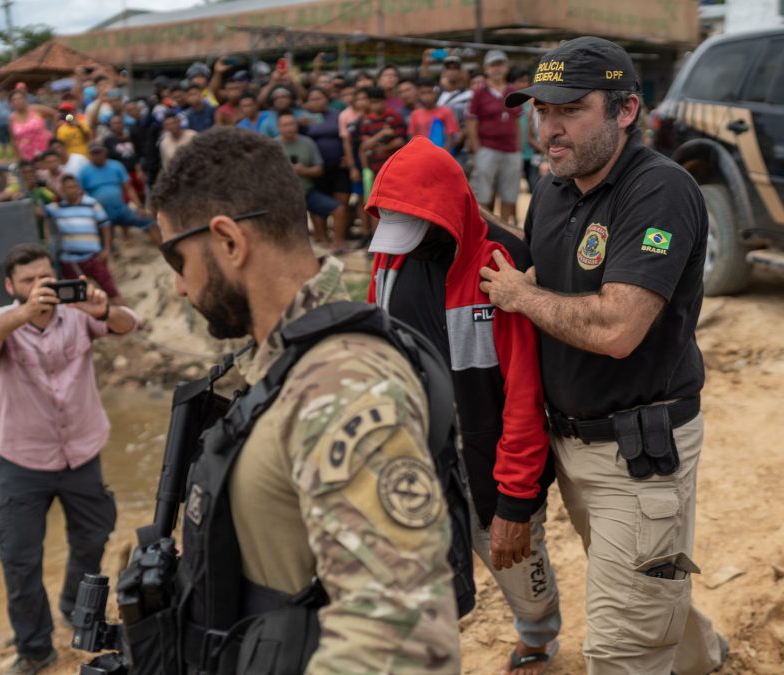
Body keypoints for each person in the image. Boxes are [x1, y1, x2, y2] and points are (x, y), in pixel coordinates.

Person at [146, 126, 459, 672]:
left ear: (229, 242)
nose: (179, 285)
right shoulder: (285, 363)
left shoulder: (340, 383)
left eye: (178, 261)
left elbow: (400, 639)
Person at [478, 37, 726, 674]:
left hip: (638, 457)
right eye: (541, 111)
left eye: (571, 110)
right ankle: (703, 659)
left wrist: (521, 296)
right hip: (572, 444)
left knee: (622, 646)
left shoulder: (659, 191)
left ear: (626, 110)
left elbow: (618, 327)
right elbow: (545, 274)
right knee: (644, 587)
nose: (549, 129)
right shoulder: (554, 186)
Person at [367, 137, 561, 675]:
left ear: (446, 214)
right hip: (416, 458)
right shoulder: (389, 259)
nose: (404, 247)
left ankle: (539, 637)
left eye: (415, 230)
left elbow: (525, 395)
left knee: (519, 567)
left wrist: (515, 502)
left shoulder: (502, 265)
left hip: (486, 462)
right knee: (423, 586)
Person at [0, 243, 138, 674]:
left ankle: (75, 611)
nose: (41, 285)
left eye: (45, 276)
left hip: (82, 453)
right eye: (29, 280)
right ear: (11, 286)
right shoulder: (1, 322)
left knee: (92, 539)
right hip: (23, 462)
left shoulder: (77, 313)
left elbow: (128, 324)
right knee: (18, 557)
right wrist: (24, 314)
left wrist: (102, 309)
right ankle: (35, 646)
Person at [44, 175, 123, 304]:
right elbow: (36, 210)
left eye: (74, 186)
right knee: (78, 299)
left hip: (94, 257)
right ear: (62, 190)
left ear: (79, 188)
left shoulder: (91, 203)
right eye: (68, 188)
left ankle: (128, 316)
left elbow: (105, 225)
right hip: (70, 261)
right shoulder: (55, 208)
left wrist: (106, 249)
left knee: (112, 291)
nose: (72, 190)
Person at [466, 50, 522, 225]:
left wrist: (518, 147)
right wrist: (477, 149)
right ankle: (483, 229)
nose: (497, 68)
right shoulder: (479, 92)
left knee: (509, 193)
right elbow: (471, 122)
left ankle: (505, 229)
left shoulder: (512, 91)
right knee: (482, 193)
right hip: (487, 148)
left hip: (511, 149)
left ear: (506, 67)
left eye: (500, 64)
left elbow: (517, 121)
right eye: (493, 65)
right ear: (486, 69)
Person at [277, 111, 346, 248]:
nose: (289, 128)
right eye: (285, 125)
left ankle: (338, 245)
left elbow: (319, 169)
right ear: (278, 127)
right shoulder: (272, 145)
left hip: (307, 192)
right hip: (283, 197)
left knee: (339, 209)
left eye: (292, 124)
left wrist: (303, 171)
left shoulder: (307, 142)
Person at [79, 141, 160, 245]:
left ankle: (163, 248)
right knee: (102, 239)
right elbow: (80, 193)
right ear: (90, 155)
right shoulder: (84, 171)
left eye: (99, 152)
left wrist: (139, 206)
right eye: (94, 153)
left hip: (121, 210)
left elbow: (128, 188)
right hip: (100, 214)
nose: (97, 155)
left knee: (148, 221)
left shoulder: (116, 166)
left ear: (105, 152)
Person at [301, 87, 351, 251]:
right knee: (319, 207)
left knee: (341, 203)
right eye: (312, 99)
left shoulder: (338, 116)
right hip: (317, 169)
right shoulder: (304, 120)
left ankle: (339, 240)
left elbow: (346, 138)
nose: (316, 102)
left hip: (338, 168)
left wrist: (347, 156)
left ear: (326, 99)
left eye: (319, 98)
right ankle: (323, 239)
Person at [104, 113, 146, 206]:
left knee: (141, 195)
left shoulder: (131, 137)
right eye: (114, 123)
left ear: (123, 124)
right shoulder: (108, 141)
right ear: (111, 125)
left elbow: (137, 155)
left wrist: (139, 170)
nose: (117, 125)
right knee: (126, 200)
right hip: (120, 175)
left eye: (119, 122)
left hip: (133, 172)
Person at [408, 77, 459, 151]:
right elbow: (412, 138)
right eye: (423, 93)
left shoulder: (446, 111)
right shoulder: (415, 114)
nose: (426, 96)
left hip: (442, 153)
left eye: (429, 92)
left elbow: (450, 137)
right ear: (418, 95)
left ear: (435, 93)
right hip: (421, 153)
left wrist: (442, 154)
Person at [9, 90, 56, 162]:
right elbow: (13, 140)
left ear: (25, 99)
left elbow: (55, 114)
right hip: (27, 155)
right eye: (14, 100)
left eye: (20, 98)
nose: (17, 101)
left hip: (45, 150)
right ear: (11, 103)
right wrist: (18, 157)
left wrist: (53, 133)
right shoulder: (12, 118)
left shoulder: (36, 109)